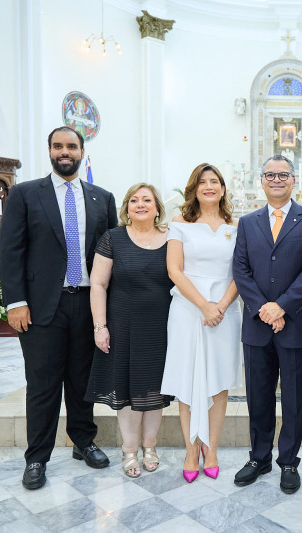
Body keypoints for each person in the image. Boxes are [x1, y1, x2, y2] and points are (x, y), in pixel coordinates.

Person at [0, 126, 118, 490]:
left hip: (87, 303)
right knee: (43, 385)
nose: (64, 152)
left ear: (82, 152)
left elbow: (113, 254)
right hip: (40, 308)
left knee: (83, 382)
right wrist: (15, 301)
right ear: (49, 150)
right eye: (57, 146)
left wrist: (111, 310)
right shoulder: (24, 194)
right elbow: (11, 251)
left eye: (71, 146)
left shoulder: (102, 197)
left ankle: (83, 441)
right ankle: (37, 457)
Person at [232, 155, 302, 494]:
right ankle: (259, 457)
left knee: (292, 398)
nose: (276, 179)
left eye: (283, 174)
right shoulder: (247, 222)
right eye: (270, 174)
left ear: (293, 180)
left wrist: (282, 306)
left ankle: (288, 461)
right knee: (257, 398)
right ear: (261, 181)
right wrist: (263, 309)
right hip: (258, 326)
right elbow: (240, 271)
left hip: (296, 324)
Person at [85, 183, 174, 478]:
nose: (140, 204)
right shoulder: (113, 238)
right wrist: (100, 326)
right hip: (122, 325)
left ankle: (150, 446)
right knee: (126, 391)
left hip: (161, 327)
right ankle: (129, 450)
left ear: (157, 207)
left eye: (147, 200)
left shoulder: (172, 239)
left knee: (154, 391)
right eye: (134, 200)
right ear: (126, 208)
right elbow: (98, 284)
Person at [161, 163, 241, 482]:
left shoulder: (236, 226)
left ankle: (213, 449)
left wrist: (219, 306)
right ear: (193, 189)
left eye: (215, 181)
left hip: (225, 310)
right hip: (187, 308)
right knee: (187, 381)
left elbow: (241, 272)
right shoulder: (180, 224)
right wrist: (203, 305)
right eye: (202, 182)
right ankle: (191, 450)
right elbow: (174, 270)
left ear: (222, 188)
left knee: (218, 382)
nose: (209, 186)